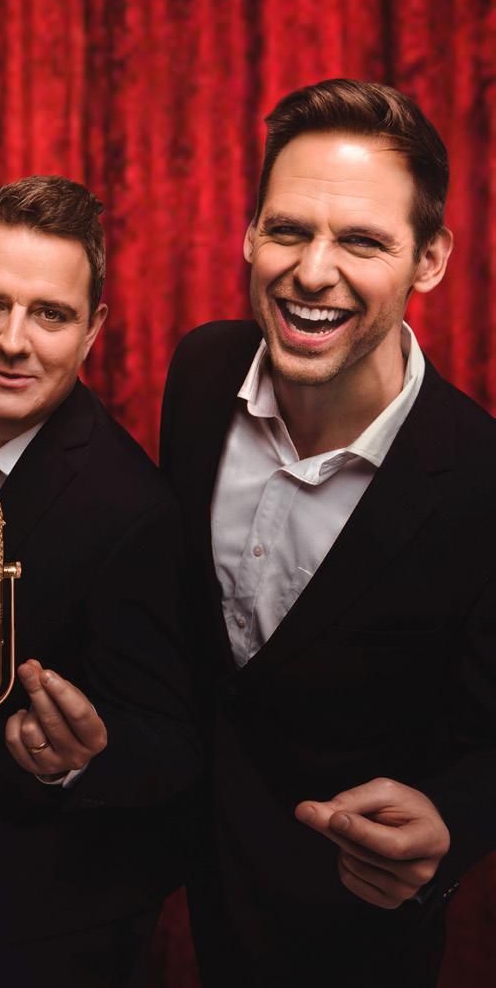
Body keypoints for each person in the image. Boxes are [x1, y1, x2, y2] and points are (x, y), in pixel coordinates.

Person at [159, 78, 496, 987]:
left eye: (361, 241)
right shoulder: (199, 373)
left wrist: (454, 823)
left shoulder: (479, 482)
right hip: (189, 887)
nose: (311, 271)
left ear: (429, 258)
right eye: (287, 229)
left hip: (353, 935)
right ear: (247, 234)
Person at [0, 176, 200, 986]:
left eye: (50, 314)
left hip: (72, 904)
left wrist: (72, 757)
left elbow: (172, 745)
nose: (12, 341)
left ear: (93, 328)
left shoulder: (131, 509)